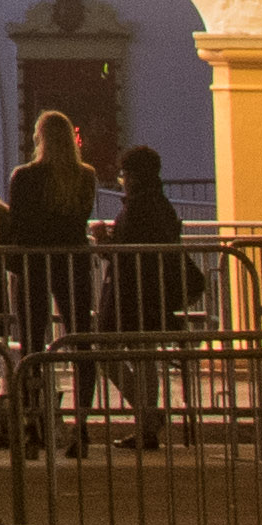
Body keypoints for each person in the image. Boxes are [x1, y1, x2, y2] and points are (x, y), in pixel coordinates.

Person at [2, 114, 98, 456]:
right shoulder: (85, 176)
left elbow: (19, 225)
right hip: (73, 263)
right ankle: (81, 428)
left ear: (39, 137)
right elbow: (80, 219)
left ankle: (32, 429)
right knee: (80, 342)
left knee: (32, 346)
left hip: (34, 265)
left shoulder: (25, 176)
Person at [86, 143, 186, 452]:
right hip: (154, 296)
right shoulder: (161, 205)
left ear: (133, 176)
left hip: (131, 295)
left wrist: (104, 240)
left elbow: (125, 254)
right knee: (145, 358)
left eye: (124, 175)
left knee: (107, 352)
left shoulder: (137, 207)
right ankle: (147, 423)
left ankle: (148, 418)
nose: (122, 181)